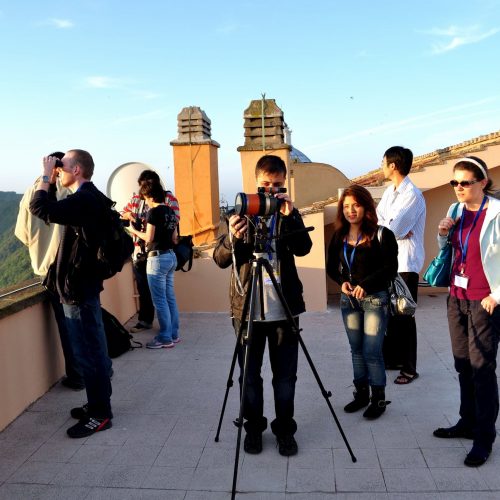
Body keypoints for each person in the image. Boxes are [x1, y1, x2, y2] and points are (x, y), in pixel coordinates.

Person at [213, 155, 312, 457]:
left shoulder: (287, 214)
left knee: (285, 378)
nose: (271, 190)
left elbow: (303, 248)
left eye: (277, 185)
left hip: (284, 310)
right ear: (255, 183)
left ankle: (285, 431)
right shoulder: (239, 213)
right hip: (247, 310)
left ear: (285, 184)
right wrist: (233, 237)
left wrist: (291, 216)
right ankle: (253, 429)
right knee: (249, 377)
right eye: (265, 184)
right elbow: (220, 259)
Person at [29, 149, 113, 439]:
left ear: (77, 170)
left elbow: (39, 208)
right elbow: (53, 209)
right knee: (93, 349)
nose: (58, 171)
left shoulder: (84, 200)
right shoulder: (90, 197)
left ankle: (100, 414)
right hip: (84, 285)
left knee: (88, 353)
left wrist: (45, 176)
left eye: (62, 167)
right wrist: (52, 181)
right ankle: (97, 404)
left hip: (78, 288)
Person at [432, 156, 500, 467]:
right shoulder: (455, 210)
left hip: (484, 301)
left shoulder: (496, 212)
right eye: (454, 182)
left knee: (482, 369)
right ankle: (467, 421)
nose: (458, 188)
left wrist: (496, 295)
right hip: (456, 296)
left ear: (482, 182)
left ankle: (484, 438)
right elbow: (448, 248)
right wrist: (442, 232)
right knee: (462, 364)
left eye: (465, 182)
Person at [15, 152, 84, 390]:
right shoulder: (71, 192)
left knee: (67, 323)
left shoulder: (31, 194)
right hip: (71, 267)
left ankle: (78, 375)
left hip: (46, 268)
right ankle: (88, 372)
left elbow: (22, 234)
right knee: (81, 322)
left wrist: (40, 245)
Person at [327, 185, 398, 419]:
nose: (351, 210)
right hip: (349, 301)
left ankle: (378, 399)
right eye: (346, 206)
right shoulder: (339, 235)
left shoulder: (382, 234)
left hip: (375, 299)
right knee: (356, 350)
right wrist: (342, 283)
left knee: (371, 351)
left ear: (366, 207)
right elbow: (331, 267)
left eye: (356, 205)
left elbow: (390, 268)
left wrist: (366, 285)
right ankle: (361, 395)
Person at [376, 146, 426, 384]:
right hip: (389, 262)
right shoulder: (390, 192)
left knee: (405, 315)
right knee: (391, 314)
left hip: (406, 263)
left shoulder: (412, 195)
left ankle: (409, 368)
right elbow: (379, 223)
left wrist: (392, 228)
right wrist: (392, 227)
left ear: (393, 165)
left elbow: (392, 229)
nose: (381, 166)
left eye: (383, 162)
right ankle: (394, 359)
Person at [122, 170, 180, 333]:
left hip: (156, 253)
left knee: (161, 298)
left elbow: (152, 235)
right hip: (149, 254)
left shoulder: (165, 203)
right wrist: (128, 215)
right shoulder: (139, 200)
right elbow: (174, 233)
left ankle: (165, 335)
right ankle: (169, 330)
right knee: (152, 292)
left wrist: (135, 230)